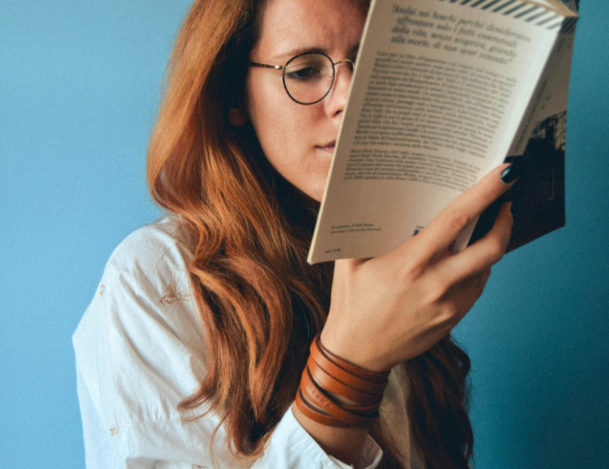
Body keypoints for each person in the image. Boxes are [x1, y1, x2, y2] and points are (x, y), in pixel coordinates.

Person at [72, 0, 519, 467]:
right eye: (305, 70)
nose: (351, 97)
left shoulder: (396, 249)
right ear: (232, 97)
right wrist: (350, 367)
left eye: (371, 62)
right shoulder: (157, 277)